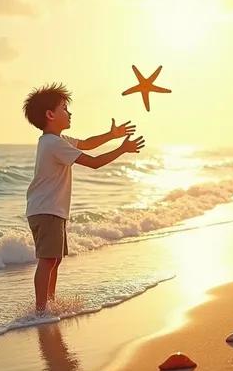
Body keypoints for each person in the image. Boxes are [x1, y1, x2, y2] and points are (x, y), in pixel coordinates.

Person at [23, 82, 145, 313]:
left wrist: (111, 134)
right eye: (64, 108)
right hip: (47, 210)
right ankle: (40, 311)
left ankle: (49, 305)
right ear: (50, 114)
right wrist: (122, 148)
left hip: (49, 209)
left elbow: (88, 144)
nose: (69, 113)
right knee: (48, 260)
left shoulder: (57, 141)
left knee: (54, 260)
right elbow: (95, 163)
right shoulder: (54, 143)